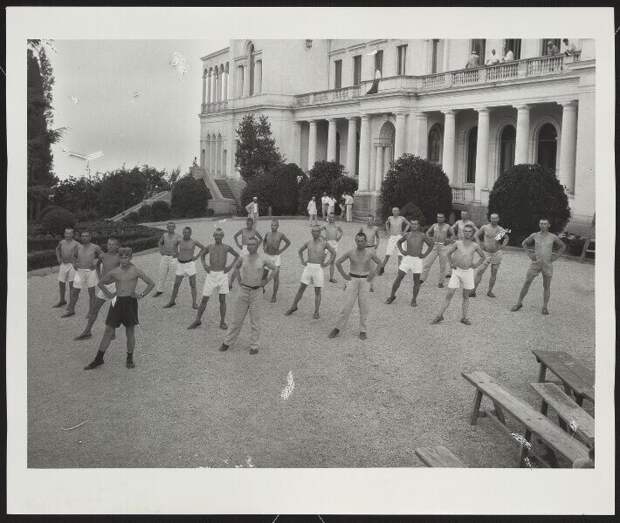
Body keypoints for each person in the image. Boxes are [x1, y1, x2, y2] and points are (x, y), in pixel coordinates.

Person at [84, 247, 155, 370]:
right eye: (121, 257)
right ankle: (99, 359)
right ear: (119, 258)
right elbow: (101, 283)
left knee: (130, 331)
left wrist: (141, 295)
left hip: (130, 302)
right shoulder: (115, 272)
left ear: (130, 257)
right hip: (117, 302)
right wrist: (109, 294)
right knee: (108, 331)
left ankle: (129, 358)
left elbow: (151, 283)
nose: (124, 259)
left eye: (126, 257)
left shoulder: (136, 271)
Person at [218, 238, 277, 355]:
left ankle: (254, 346)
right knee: (236, 319)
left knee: (255, 320)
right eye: (249, 244)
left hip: (257, 292)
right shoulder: (243, 257)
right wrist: (239, 279)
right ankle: (227, 342)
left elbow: (275, 269)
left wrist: (266, 281)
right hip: (243, 291)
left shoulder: (263, 258)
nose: (250, 246)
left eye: (253, 244)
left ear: (257, 246)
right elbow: (236, 267)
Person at [328, 231, 383, 341]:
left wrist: (372, 275)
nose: (360, 243)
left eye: (362, 241)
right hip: (352, 279)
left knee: (364, 307)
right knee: (347, 306)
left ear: (365, 241)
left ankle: (363, 330)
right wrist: (344, 275)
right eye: (358, 241)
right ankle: (338, 328)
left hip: (365, 281)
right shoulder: (351, 252)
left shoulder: (369, 253)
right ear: (355, 241)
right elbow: (338, 262)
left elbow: (380, 263)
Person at [431, 224, 485, 325]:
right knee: (449, 294)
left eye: (469, 231)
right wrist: (451, 264)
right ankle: (439, 316)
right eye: (465, 231)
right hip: (457, 271)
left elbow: (483, 256)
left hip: (468, 272)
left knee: (466, 296)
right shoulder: (458, 243)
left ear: (472, 233)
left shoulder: (475, 245)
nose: (467, 233)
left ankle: (464, 318)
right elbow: (448, 253)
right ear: (462, 232)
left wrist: (476, 265)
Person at [511, 218, 566, 315]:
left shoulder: (552, 237)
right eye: (541, 223)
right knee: (527, 282)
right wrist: (529, 254)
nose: (542, 225)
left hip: (547, 264)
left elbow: (562, 246)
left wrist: (555, 257)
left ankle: (545, 307)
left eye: (545, 224)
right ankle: (519, 303)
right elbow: (524, 243)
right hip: (536, 263)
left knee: (546, 286)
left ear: (549, 225)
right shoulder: (534, 235)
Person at [188, 228, 239, 330]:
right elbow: (202, 254)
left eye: (220, 235)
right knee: (204, 299)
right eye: (216, 235)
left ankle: (222, 321)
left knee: (222, 300)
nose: (217, 237)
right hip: (211, 275)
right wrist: (204, 265)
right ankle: (198, 319)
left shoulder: (226, 247)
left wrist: (230, 267)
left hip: (222, 275)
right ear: (213, 236)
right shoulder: (210, 247)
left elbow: (237, 255)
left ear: (222, 236)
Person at [285, 225, 336, 319]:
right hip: (309, 267)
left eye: (317, 231)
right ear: (311, 232)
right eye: (313, 231)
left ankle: (316, 312)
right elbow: (300, 251)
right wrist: (302, 260)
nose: (315, 233)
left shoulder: (324, 243)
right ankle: (294, 306)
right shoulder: (309, 243)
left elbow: (333, 253)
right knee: (301, 288)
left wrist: (328, 263)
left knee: (317, 290)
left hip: (318, 268)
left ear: (320, 232)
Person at [75, 237, 121, 340]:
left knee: (113, 311)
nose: (110, 246)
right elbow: (97, 265)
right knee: (94, 309)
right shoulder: (103, 256)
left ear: (118, 246)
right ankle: (87, 331)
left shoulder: (119, 257)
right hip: (104, 286)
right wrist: (100, 277)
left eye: (113, 244)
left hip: (116, 286)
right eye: (109, 244)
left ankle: (112, 332)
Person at [385, 219, 434, 307]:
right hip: (407, 259)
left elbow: (431, 245)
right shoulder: (407, 234)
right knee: (398, 278)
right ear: (411, 225)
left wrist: (425, 254)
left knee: (416, 281)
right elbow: (398, 242)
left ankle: (414, 299)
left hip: (417, 260)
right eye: (412, 224)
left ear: (418, 225)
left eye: (416, 224)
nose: (414, 225)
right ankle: (392, 296)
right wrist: (402, 250)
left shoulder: (422, 235)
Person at [61, 231, 103, 318]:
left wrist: (97, 263)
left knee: (91, 293)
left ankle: (91, 312)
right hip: (79, 271)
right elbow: (74, 257)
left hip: (90, 272)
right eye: (83, 236)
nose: (84, 238)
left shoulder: (95, 247)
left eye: (86, 236)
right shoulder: (78, 247)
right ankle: (71, 310)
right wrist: (74, 263)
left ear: (90, 237)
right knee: (75, 292)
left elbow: (103, 256)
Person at [163, 226, 205, 309]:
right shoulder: (179, 240)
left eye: (187, 232)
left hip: (190, 265)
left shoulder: (194, 241)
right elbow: (174, 246)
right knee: (176, 284)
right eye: (184, 232)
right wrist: (176, 253)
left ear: (190, 233)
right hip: (180, 265)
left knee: (192, 285)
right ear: (183, 233)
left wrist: (196, 257)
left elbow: (204, 248)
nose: (186, 234)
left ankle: (194, 304)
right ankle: (172, 301)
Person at [471, 213, 510, 298]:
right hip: (486, 253)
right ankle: (473, 291)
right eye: (492, 218)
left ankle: (489, 291)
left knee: (494, 272)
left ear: (498, 219)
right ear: (490, 219)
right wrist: (479, 244)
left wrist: (503, 246)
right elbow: (476, 235)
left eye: (495, 218)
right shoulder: (485, 227)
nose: (494, 220)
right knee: (480, 271)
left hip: (496, 253)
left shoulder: (500, 229)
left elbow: (506, 237)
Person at [420, 213, 454, 287]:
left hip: (443, 247)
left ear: (444, 218)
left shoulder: (447, 226)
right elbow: (427, 232)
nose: (439, 219)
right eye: (438, 217)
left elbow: (453, 235)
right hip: (435, 246)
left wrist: (448, 241)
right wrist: (430, 239)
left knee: (442, 266)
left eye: (441, 217)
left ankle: (440, 282)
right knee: (427, 263)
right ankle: (422, 279)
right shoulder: (434, 225)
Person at [262, 219, 291, 302]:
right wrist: (264, 247)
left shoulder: (280, 234)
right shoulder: (268, 234)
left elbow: (288, 243)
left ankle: (274, 296)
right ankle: (262, 288)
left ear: (278, 226)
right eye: (272, 225)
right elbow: (264, 241)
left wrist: (281, 250)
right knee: (264, 274)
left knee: (276, 277)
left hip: (276, 257)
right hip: (267, 256)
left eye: (274, 225)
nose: (273, 227)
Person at [231, 218, 263, 288]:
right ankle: (231, 282)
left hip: (251, 249)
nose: (248, 225)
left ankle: (253, 282)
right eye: (247, 223)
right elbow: (235, 236)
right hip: (244, 249)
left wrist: (256, 246)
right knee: (237, 265)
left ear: (252, 224)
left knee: (252, 265)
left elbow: (261, 239)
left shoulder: (254, 231)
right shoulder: (243, 230)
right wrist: (238, 244)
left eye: (250, 223)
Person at [378, 207, 411, 275]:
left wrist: (404, 231)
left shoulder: (402, 218)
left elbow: (409, 224)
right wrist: (388, 231)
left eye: (396, 211)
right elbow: (386, 223)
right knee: (387, 254)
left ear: (399, 212)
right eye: (393, 211)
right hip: (392, 237)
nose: (395, 212)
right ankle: (382, 268)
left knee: (400, 255)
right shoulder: (390, 218)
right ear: (392, 212)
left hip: (399, 237)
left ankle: (400, 270)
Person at [153, 221, 181, 297]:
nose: (170, 228)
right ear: (167, 228)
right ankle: (159, 290)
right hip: (165, 257)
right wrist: (161, 250)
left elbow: (183, 245)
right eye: (169, 226)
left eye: (172, 226)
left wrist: (178, 254)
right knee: (162, 274)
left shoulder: (178, 236)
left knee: (173, 276)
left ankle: (174, 292)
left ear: (174, 227)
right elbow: (159, 243)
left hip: (173, 258)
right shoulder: (164, 235)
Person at [53, 228, 79, 308]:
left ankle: (71, 304)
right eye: (66, 233)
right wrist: (58, 258)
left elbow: (82, 254)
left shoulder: (76, 244)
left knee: (71, 285)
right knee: (61, 283)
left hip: (72, 265)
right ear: (64, 234)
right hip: (63, 265)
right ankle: (62, 300)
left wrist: (76, 263)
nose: (67, 235)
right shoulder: (62, 242)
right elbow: (57, 249)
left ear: (72, 234)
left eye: (69, 233)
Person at [321, 213, 344, 283]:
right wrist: (323, 237)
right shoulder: (325, 225)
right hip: (327, 243)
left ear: (334, 218)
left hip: (334, 244)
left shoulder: (337, 226)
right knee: (322, 259)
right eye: (330, 217)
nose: (331, 218)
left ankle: (331, 278)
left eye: (333, 217)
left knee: (332, 261)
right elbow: (318, 231)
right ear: (328, 217)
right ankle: (316, 276)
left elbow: (341, 232)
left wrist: (339, 237)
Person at [363, 215, 381, 292]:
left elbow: (378, 237)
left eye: (371, 220)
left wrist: (377, 244)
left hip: (371, 249)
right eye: (368, 219)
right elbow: (358, 236)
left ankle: (371, 285)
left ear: (373, 221)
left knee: (372, 268)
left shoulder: (375, 228)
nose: (369, 221)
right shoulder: (362, 228)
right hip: (364, 249)